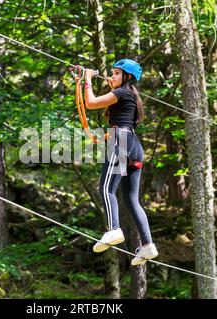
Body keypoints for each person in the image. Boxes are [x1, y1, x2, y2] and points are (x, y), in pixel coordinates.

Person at [84, 59, 158, 266]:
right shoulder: (130, 94)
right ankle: (147, 245)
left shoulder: (122, 93)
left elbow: (90, 103)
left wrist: (87, 80)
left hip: (122, 143)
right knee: (131, 200)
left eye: (116, 73)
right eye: (113, 73)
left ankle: (114, 229)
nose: (112, 76)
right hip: (134, 145)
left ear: (127, 77)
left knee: (107, 189)